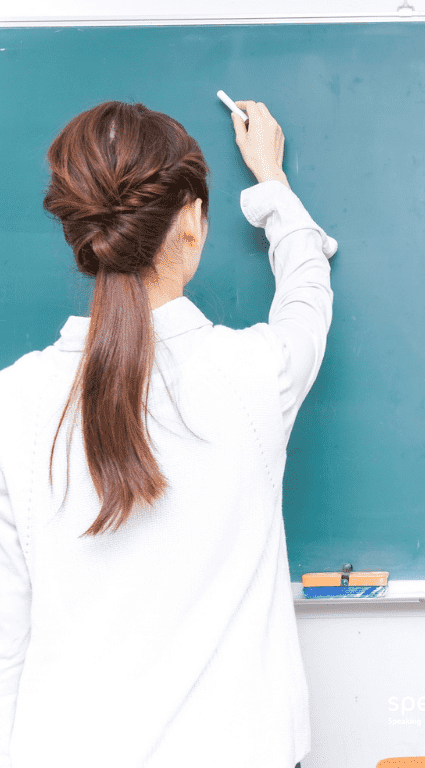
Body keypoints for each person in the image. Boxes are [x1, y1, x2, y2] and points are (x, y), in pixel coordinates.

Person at [0, 99, 336, 768]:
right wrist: (271, 184)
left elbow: (7, 634)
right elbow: (307, 294)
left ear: (79, 234)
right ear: (190, 220)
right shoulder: (254, 377)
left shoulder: (13, 403)